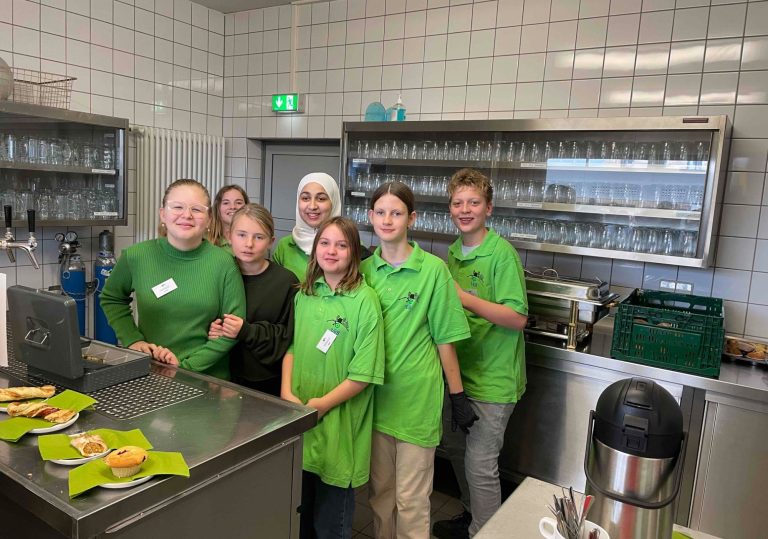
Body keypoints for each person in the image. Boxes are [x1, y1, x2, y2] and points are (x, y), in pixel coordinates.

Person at [360, 181, 477, 539]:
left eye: (396, 213)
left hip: (416, 402)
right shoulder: (363, 272)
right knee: (381, 497)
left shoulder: (433, 271)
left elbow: (445, 340)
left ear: (411, 218)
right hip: (375, 400)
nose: (387, 220)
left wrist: (457, 395)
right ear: (370, 216)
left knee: (411, 501)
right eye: (381, 212)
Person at [432, 168, 528, 539]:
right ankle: (472, 517)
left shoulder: (501, 255)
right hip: (459, 375)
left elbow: (517, 317)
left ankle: (486, 533)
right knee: (456, 450)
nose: (465, 210)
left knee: (480, 464)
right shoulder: (454, 254)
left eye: (473, 203)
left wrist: (463, 298)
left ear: (488, 208)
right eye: (458, 203)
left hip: (493, 380)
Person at [281, 216, 385, 539]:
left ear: (354, 253)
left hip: (339, 429)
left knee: (330, 526)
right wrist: (286, 393)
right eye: (324, 243)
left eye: (341, 245)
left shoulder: (365, 301)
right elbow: (292, 348)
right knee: (298, 521)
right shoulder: (305, 294)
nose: (331, 251)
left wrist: (323, 404)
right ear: (315, 250)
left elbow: (363, 374)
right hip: (301, 420)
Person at [101, 179, 246, 380]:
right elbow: (112, 298)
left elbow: (232, 331)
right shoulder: (136, 257)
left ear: (209, 218)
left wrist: (184, 368)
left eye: (196, 209)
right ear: (163, 214)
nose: (186, 215)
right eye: (177, 207)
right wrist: (133, 340)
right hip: (150, 372)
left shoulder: (224, 263)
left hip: (207, 380)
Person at [208, 203, 298, 396]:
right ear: (229, 236)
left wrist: (247, 331)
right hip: (220, 376)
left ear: (271, 241)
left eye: (259, 237)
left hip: (266, 382)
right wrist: (214, 328)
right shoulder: (218, 274)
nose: (249, 244)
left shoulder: (286, 282)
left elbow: (287, 338)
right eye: (241, 235)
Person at [273, 172, 342, 281]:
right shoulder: (285, 246)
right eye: (305, 198)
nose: (312, 206)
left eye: (321, 199)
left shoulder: (351, 245)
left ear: (334, 202)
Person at [208, 184, 249, 250]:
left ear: (247, 207)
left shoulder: (254, 239)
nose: (233, 207)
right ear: (217, 207)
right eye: (226, 203)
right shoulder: (204, 239)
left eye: (238, 203)